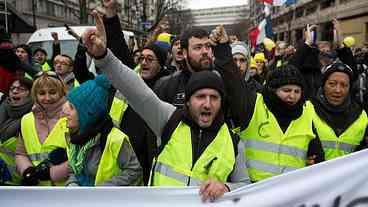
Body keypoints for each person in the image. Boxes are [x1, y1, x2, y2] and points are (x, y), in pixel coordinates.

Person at [82, 12, 250, 201]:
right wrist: (104, 56)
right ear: (187, 101)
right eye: (200, 97)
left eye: (214, 97)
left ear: (222, 102)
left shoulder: (234, 143)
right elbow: (134, 89)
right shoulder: (169, 120)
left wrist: (227, 186)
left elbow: (245, 186)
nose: (207, 103)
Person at [221, 61, 324, 183]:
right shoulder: (254, 105)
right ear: (273, 90)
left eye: (297, 91)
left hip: (290, 192)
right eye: (287, 90)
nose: (292, 96)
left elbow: (317, 158)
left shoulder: (306, 112)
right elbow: (233, 84)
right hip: (252, 189)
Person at [63, 75, 142, 186]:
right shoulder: (74, 137)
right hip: (83, 201)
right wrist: (72, 184)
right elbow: (74, 170)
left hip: (109, 202)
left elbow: (134, 171)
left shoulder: (115, 139)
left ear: (87, 113)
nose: (65, 111)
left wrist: (103, 190)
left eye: (71, 107)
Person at [15, 71, 69, 186]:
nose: (47, 98)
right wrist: (27, 171)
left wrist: (52, 173)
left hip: (67, 190)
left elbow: (81, 157)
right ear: (35, 94)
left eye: (53, 92)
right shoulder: (26, 119)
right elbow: (21, 153)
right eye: (42, 93)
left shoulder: (71, 116)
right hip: (37, 191)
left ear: (62, 92)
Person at [312, 62, 367, 160]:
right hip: (313, 174)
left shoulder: (362, 116)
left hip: (350, 175)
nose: (338, 90)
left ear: (350, 88)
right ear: (323, 85)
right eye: (332, 84)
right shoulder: (307, 109)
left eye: (344, 85)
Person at [0, 78, 33, 185]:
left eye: (21, 89)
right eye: (12, 89)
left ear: (31, 93)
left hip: (21, 178)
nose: (14, 91)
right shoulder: (3, 108)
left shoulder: (34, 117)